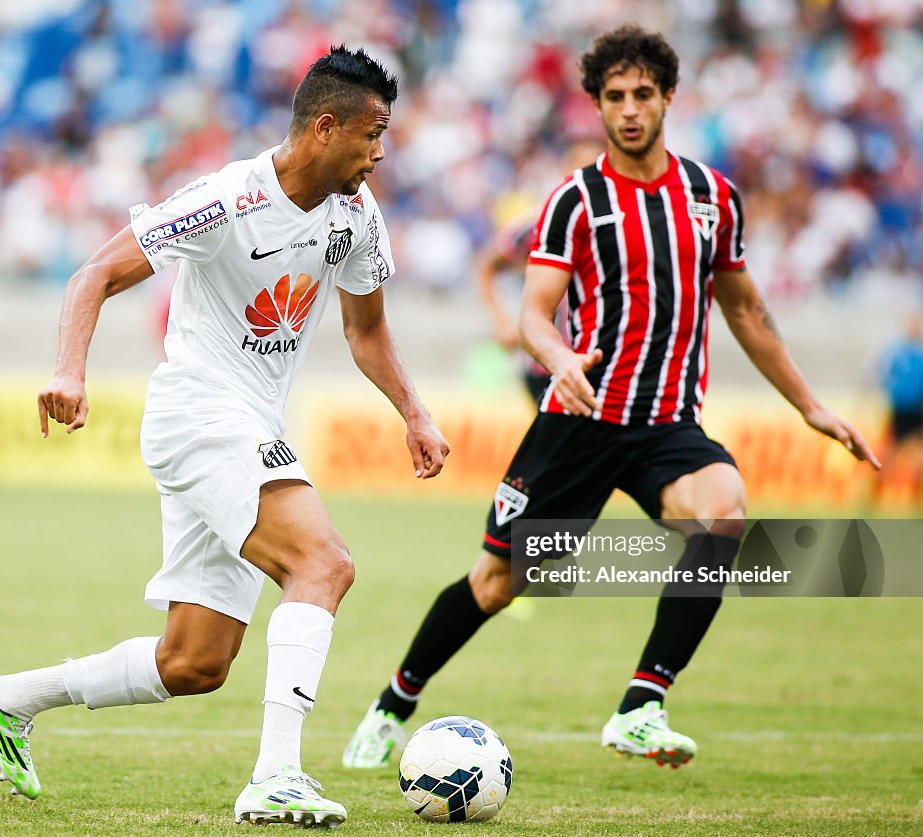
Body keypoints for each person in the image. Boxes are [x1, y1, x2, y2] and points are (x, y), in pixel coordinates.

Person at [342, 25, 879, 772]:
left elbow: (747, 310)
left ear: (667, 99)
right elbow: (535, 312)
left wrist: (809, 405)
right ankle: (393, 703)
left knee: (724, 510)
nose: (629, 109)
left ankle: (642, 705)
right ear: (597, 104)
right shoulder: (573, 200)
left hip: (666, 425)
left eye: (643, 95)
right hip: (580, 423)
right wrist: (560, 357)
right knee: (496, 583)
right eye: (615, 96)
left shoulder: (712, 197)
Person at [0, 46, 449, 828]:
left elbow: (367, 333)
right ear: (326, 127)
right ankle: (276, 777)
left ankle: (5, 697)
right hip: (199, 413)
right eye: (372, 133)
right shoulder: (226, 199)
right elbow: (95, 274)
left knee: (193, 662)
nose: (381, 152)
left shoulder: (356, 215)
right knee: (323, 562)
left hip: (248, 424)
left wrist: (414, 412)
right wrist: (69, 371)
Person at [476, 140, 602, 404]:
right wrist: (500, 319)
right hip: (547, 365)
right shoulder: (539, 222)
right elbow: (487, 263)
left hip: (602, 363)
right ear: (566, 170)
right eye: (581, 167)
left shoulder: (622, 225)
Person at [874, 313, 923, 503]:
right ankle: (912, 497)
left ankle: (880, 494)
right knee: (894, 452)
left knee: (894, 452)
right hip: (908, 408)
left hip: (905, 407)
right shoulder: (907, 353)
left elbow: (884, 378)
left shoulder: (896, 353)